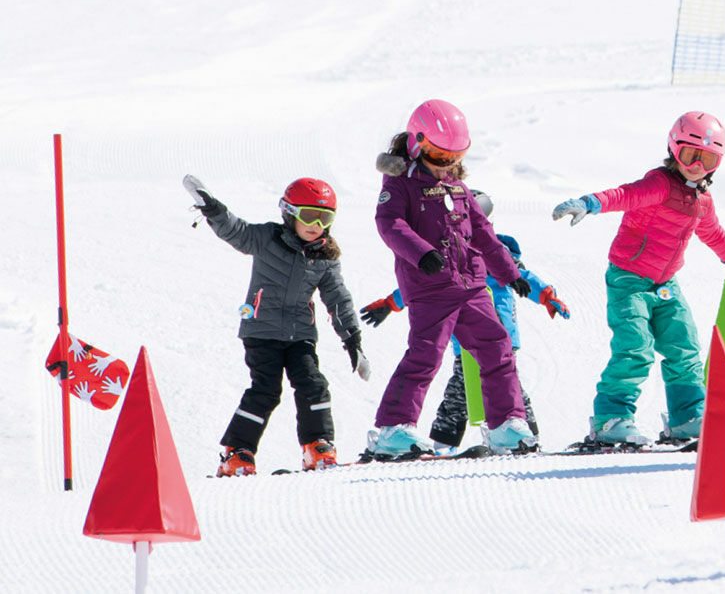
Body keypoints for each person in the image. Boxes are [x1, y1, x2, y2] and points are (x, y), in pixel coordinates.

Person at [551, 110, 725, 446]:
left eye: (707, 159)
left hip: (666, 284)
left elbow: (713, 233)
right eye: (690, 154)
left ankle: (688, 417)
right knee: (635, 347)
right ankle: (610, 418)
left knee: (685, 345)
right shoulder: (658, 185)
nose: (696, 165)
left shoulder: (702, 201)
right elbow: (624, 195)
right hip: (629, 280)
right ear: (674, 149)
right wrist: (589, 203)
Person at [367, 99, 542, 457]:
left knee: (498, 348)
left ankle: (506, 424)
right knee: (425, 356)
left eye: (454, 157)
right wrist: (422, 252)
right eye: (438, 154)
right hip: (430, 287)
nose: (446, 164)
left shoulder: (458, 188)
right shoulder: (400, 184)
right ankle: (393, 429)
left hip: (471, 285)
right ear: (416, 143)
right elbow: (390, 224)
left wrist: (511, 274)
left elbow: (482, 232)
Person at [184, 175, 369, 476]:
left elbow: (337, 299)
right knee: (266, 390)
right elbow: (236, 231)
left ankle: (317, 446)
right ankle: (237, 452)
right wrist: (214, 210)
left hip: (301, 336)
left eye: (324, 217)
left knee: (313, 384)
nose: (316, 225)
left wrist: (353, 341)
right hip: (262, 332)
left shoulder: (325, 257)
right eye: (309, 216)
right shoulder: (268, 238)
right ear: (289, 212)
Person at [360, 190, 569, 453]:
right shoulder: (450, 250)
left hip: (501, 334)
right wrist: (391, 303)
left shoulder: (496, 252)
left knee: (508, 381)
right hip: (463, 342)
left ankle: (525, 436)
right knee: (459, 393)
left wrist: (547, 296)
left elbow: (523, 276)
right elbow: (428, 282)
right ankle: (443, 444)